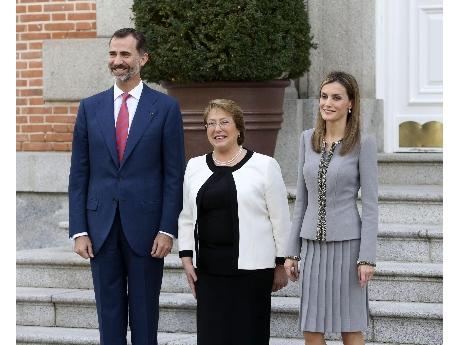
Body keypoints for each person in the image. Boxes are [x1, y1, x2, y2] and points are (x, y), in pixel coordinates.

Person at [68, 28, 185, 345]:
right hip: (100, 228)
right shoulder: (89, 108)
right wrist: (79, 230)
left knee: (146, 318)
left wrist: (167, 228)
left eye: (125, 54)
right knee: (109, 318)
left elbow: (174, 175)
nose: (117, 61)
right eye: (112, 54)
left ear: (142, 58)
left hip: (148, 231)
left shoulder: (165, 108)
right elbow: (79, 173)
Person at [178, 99, 290, 345]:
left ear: (238, 128)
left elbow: (281, 219)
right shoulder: (194, 166)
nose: (217, 129)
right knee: (212, 337)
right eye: (211, 123)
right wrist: (186, 257)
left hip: (253, 272)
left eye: (224, 122)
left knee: (249, 336)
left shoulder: (265, 166)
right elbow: (186, 216)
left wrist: (281, 263)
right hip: (208, 271)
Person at [284, 71, 378, 345]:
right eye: (324, 96)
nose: (328, 103)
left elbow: (371, 205)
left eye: (336, 97)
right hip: (312, 248)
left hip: (349, 249)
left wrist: (367, 257)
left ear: (350, 103)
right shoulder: (306, 139)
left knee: (350, 328)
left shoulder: (364, 143)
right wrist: (292, 252)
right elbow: (302, 199)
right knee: (311, 327)